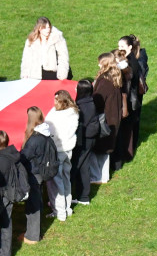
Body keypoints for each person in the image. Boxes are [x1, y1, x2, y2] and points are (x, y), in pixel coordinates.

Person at [0, 130, 28, 256]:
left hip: (2, 195)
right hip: (11, 193)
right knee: (6, 223)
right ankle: (4, 254)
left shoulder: (0, 159)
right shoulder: (12, 153)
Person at [45, 90, 78, 222]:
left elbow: (48, 129)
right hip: (68, 150)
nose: (53, 103)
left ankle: (59, 211)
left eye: (56, 100)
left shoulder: (55, 117)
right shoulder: (73, 113)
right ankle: (67, 207)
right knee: (65, 179)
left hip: (57, 152)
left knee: (55, 183)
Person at [19, 107, 50, 241]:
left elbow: (24, 157)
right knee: (38, 202)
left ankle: (32, 236)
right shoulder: (45, 133)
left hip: (34, 174)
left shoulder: (34, 140)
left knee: (33, 205)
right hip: (41, 172)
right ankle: (35, 231)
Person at [92, 53, 124, 184]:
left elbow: (98, 100)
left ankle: (96, 176)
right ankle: (103, 176)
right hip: (113, 117)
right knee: (105, 149)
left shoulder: (104, 81)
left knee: (98, 148)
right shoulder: (115, 77)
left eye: (100, 62)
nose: (98, 65)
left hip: (104, 118)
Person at [72, 80, 99, 206]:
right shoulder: (90, 102)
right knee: (83, 165)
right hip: (90, 137)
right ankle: (82, 195)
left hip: (84, 140)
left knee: (80, 165)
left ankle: (82, 195)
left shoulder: (82, 106)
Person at [21, 16, 70, 80]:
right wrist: (25, 73)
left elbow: (63, 56)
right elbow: (26, 58)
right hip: (35, 75)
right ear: (39, 28)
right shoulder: (31, 40)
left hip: (52, 74)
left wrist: (62, 73)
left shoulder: (57, 38)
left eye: (49, 27)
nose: (48, 30)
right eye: (44, 28)